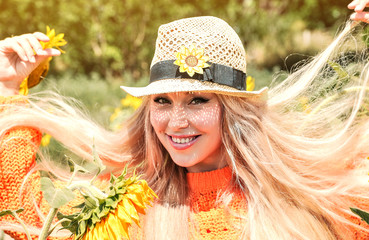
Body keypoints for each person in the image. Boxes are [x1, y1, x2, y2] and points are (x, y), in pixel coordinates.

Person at [1, 1, 369, 239]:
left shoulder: (304, 196)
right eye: (161, 101)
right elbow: (30, 219)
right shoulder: (129, 204)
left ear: (233, 110)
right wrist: (7, 88)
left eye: (197, 100)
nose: (175, 122)